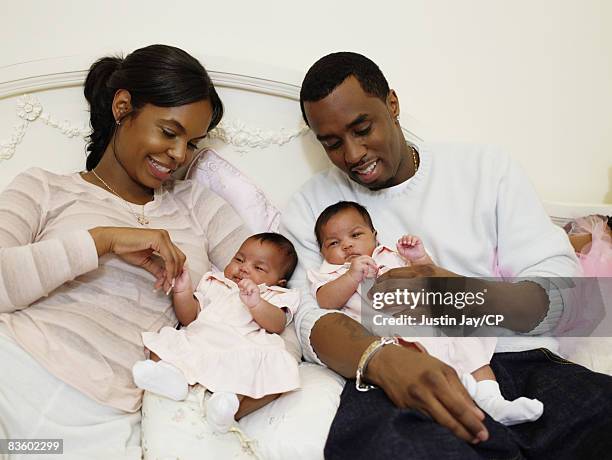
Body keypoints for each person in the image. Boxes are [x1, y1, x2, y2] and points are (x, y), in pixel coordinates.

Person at [280, 51, 612, 458]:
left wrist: (453, 292)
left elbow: (567, 292)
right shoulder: (310, 205)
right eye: (331, 144)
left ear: (392, 105)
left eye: (362, 128)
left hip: (514, 360)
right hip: (396, 376)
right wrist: (382, 361)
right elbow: (303, 318)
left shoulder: (483, 168)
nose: (352, 154)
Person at [0, 44, 252, 459]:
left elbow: (270, 288)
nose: (177, 155)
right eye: (169, 132)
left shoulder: (200, 207)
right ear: (122, 108)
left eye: (191, 143)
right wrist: (102, 241)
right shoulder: (44, 187)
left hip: (100, 417)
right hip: (13, 368)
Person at [308, 200, 543, 426]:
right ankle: (467, 398)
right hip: (395, 337)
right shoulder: (330, 273)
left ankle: (494, 402)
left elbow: (430, 277)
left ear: (374, 235)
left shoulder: (390, 255)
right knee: (426, 366)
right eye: (334, 243)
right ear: (322, 251)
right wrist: (351, 276)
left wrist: (419, 259)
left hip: (433, 320)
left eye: (355, 235)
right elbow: (325, 301)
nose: (347, 245)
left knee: (469, 344)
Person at [132, 232, 301, 433]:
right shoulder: (215, 281)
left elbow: (277, 324)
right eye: (239, 259)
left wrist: (257, 303)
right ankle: (171, 380)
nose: (244, 268)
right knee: (166, 340)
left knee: (279, 371)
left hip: (242, 349)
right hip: (202, 339)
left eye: (258, 268)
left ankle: (229, 407)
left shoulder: (275, 294)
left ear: (278, 281)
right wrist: (182, 291)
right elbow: (189, 317)